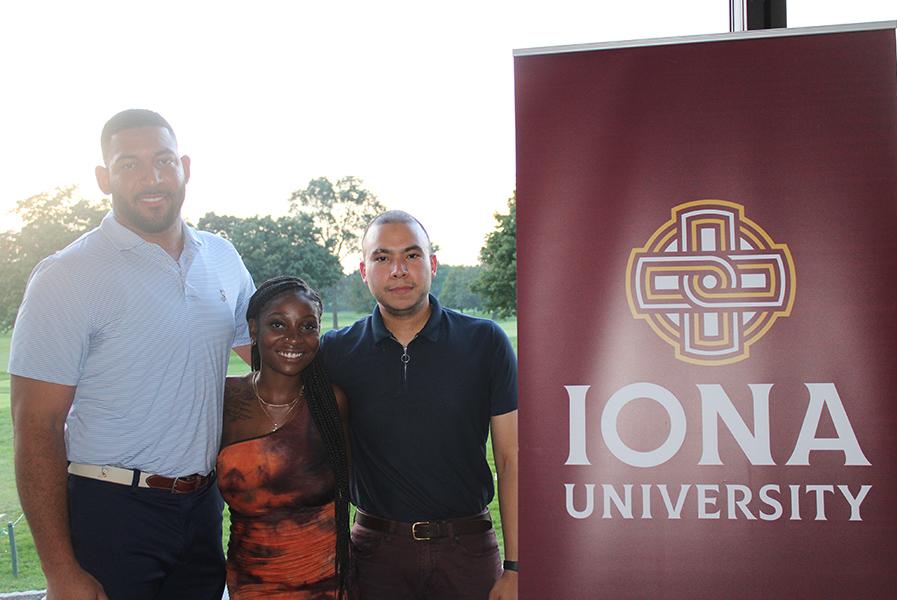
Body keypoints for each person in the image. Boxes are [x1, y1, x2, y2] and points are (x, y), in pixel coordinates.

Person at [8, 109, 256, 600]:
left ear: (185, 166)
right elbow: (35, 428)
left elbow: (273, 361)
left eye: (164, 160)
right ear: (104, 178)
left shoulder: (222, 258)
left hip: (203, 509)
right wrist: (60, 571)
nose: (153, 177)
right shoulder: (68, 275)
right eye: (129, 164)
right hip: (110, 512)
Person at [320, 210, 519, 600]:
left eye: (411, 256)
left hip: (467, 550)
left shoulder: (485, 343)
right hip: (375, 553)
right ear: (364, 270)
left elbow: (512, 457)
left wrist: (515, 567)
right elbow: (317, 464)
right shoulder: (337, 352)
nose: (398, 270)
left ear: (432, 264)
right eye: (382, 258)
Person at [217, 276, 351, 599]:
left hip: (325, 584)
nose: (294, 338)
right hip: (250, 582)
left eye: (308, 327)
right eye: (278, 324)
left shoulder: (330, 403)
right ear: (253, 329)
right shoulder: (225, 399)